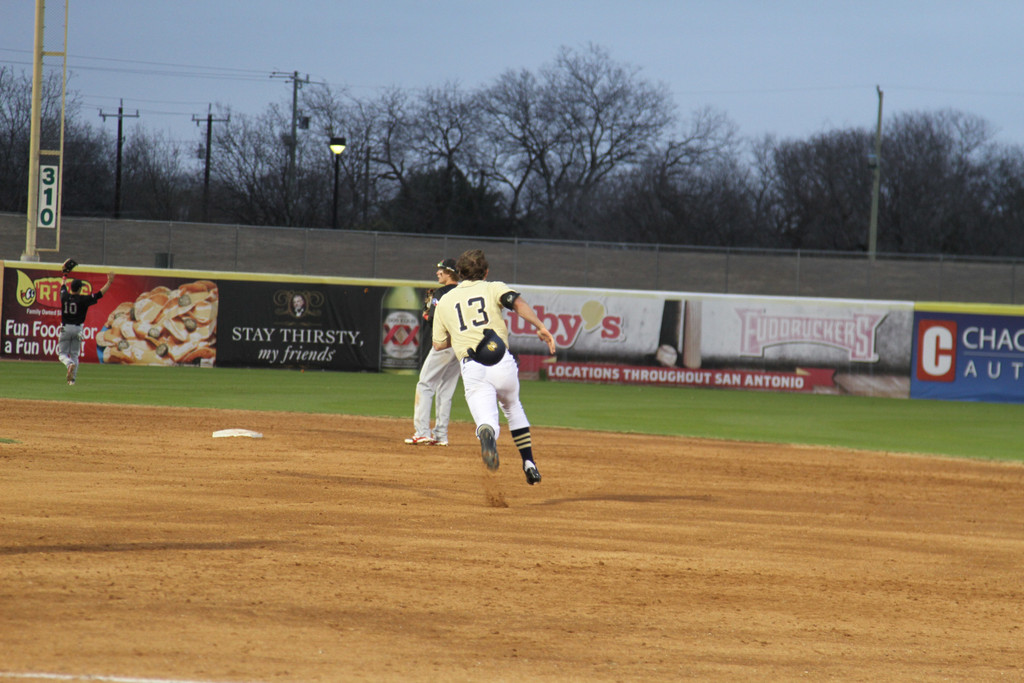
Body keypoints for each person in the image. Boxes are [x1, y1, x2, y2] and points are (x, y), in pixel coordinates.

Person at [431, 249, 556, 485]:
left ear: (459, 272)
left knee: (486, 420)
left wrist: (458, 335)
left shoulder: (445, 300)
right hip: (500, 359)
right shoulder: (493, 287)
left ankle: (488, 434)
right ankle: (528, 462)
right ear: (486, 272)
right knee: (512, 406)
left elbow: (438, 345)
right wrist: (540, 326)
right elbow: (517, 303)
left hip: (472, 366)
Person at [405, 259, 462, 446]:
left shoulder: (441, 292)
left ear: (450, 273)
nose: (438, 273)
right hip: (460, 344)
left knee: (425, 385)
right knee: (446, 389)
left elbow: (432, 319)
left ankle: (422, 432)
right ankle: (440, 435)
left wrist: (426, 313)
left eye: (441, 270)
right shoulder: (463, 292)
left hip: (444, 343)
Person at [58, 270, 115, 385]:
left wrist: (64, 275)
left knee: (62, 354)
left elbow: (62, 286)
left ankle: (69, 364)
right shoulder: (83, 299)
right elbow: (99, 294)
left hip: (65, 328)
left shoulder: (64, 296)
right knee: (74, 354)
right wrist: (109, 283)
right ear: (79, 289)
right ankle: (72, 381)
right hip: (78, 329)